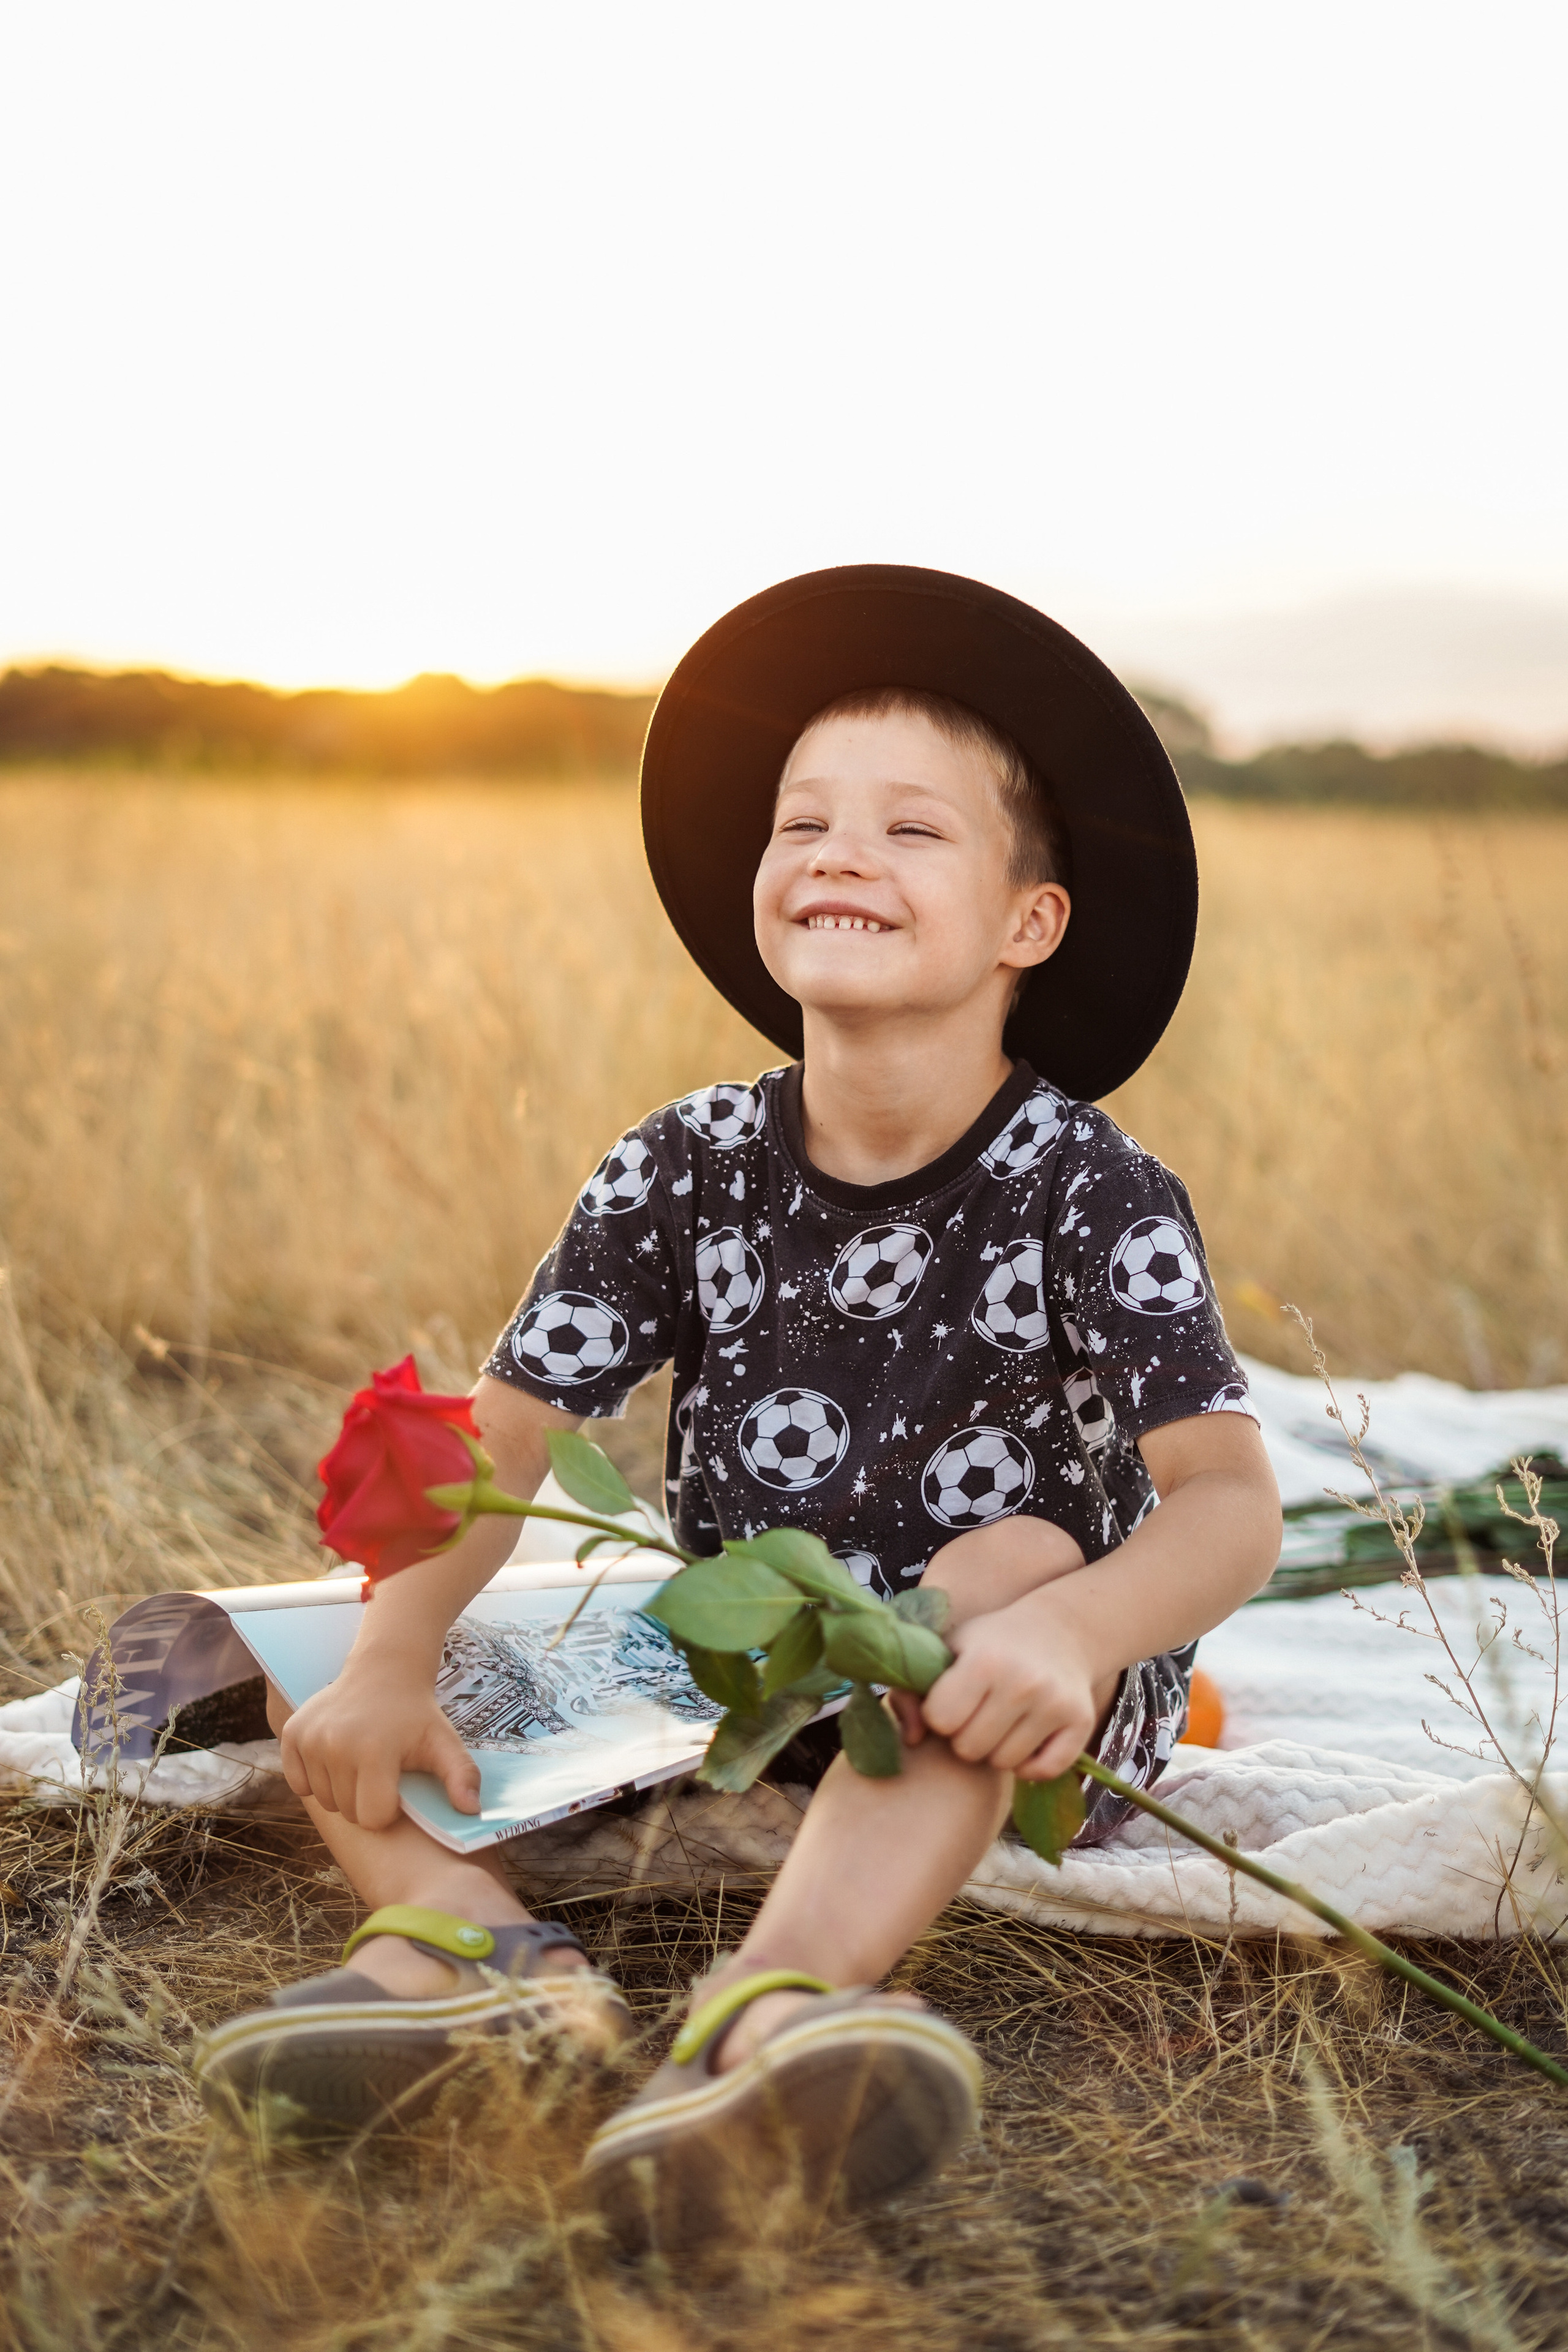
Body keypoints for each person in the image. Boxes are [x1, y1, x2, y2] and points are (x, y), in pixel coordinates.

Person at [196, 566, 1281, 2245]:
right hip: (740, 1655)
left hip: (1017, 1684)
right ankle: (473, 1968)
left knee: (993, 1560)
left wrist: (1074, 1636)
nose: (840, 853)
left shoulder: (1088, 1184)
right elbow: (502, 1432)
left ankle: (769, 2014)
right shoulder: (684, 1163)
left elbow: (1225, 1500)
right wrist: (397, 1661)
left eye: (912, 832)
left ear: (1026, 925)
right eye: (804, 822)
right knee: (317, 1653)